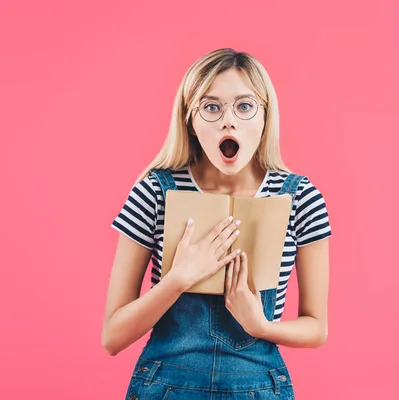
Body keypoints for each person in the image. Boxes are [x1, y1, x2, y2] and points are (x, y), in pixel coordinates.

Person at [102, 48, 332, 399]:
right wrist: (177, 280)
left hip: (258, 389)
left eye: (244, 106)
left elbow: (317, 328)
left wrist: (260, 325)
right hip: (165, 390)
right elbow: (112, 337)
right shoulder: (154, 191)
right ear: (191, 121)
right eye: (212, 107)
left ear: (264, 117)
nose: (229, 121)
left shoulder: (300, 198)